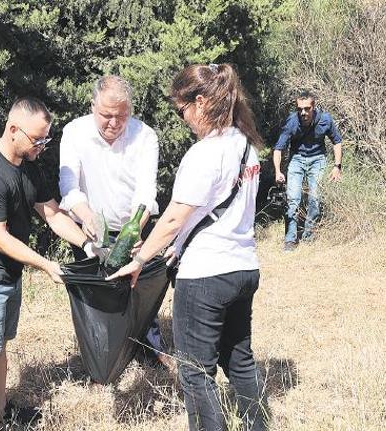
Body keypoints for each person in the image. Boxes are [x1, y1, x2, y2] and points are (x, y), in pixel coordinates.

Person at [108, 63, 268, 431]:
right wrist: (179, 246)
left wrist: (140, 257)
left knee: (196, 372)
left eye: (182, 111)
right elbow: (219, 212)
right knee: (240, 361)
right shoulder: (247, 148)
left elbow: (175, 218)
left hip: (206, 276)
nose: (183, 120)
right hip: (243, 267)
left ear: (200, 102)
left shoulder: (204, 154)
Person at [0, 97, 90, 431]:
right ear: (13, 130)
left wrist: (87, 242)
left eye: (46, 139)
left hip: (6, 273)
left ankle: (0, 410)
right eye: (37, 139)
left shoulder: (28, 165)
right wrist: (46, 264)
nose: (42, 146)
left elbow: (52, 213)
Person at [58, 74, 169, 367]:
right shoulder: (74, 132)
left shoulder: (145, 136)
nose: (114, 123)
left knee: (138, 291)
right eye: (106, 115)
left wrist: (136, 229)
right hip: (90, 230)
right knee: (96, 297)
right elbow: (69, 187)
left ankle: (150, 350)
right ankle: (102, 357)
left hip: (132, 229)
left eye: (122, 115)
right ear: (93, 105)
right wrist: (87, 217)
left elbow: (146, 191)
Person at [273, 91, 342, 251]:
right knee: (293, 200)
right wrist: (278, 171)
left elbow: (337, 141)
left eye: (306, 109)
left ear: (313, 107)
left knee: (315, 199)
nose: (303, 112)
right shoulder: (291, 122)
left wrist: (337, 166)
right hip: (297, 159)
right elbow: (278, 149)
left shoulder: (325, 120)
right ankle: (290, 239)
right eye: (299, 109)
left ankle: (309, 236)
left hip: (318, 159)